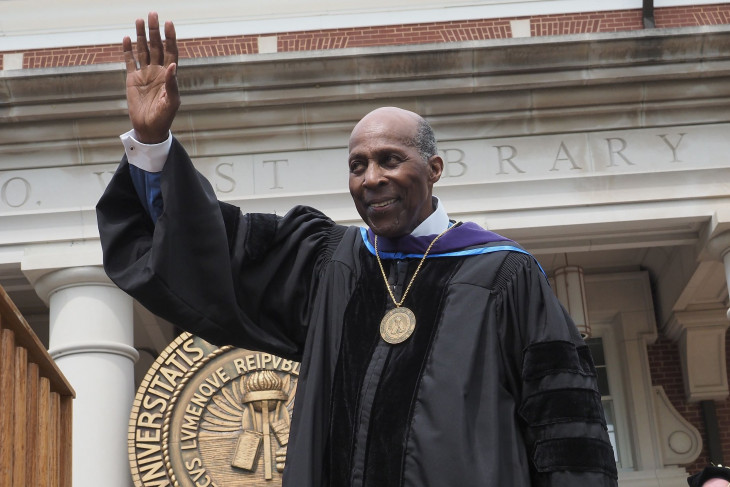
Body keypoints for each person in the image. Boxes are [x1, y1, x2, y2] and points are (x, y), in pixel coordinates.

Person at [96, 12, 628, 487]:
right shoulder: (329, 265)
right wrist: (153, 143)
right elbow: (211, 247)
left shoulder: (504, 277)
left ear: (433, 169)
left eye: (390, 160)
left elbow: (566, 432)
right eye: (358, 165)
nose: (372, 178)